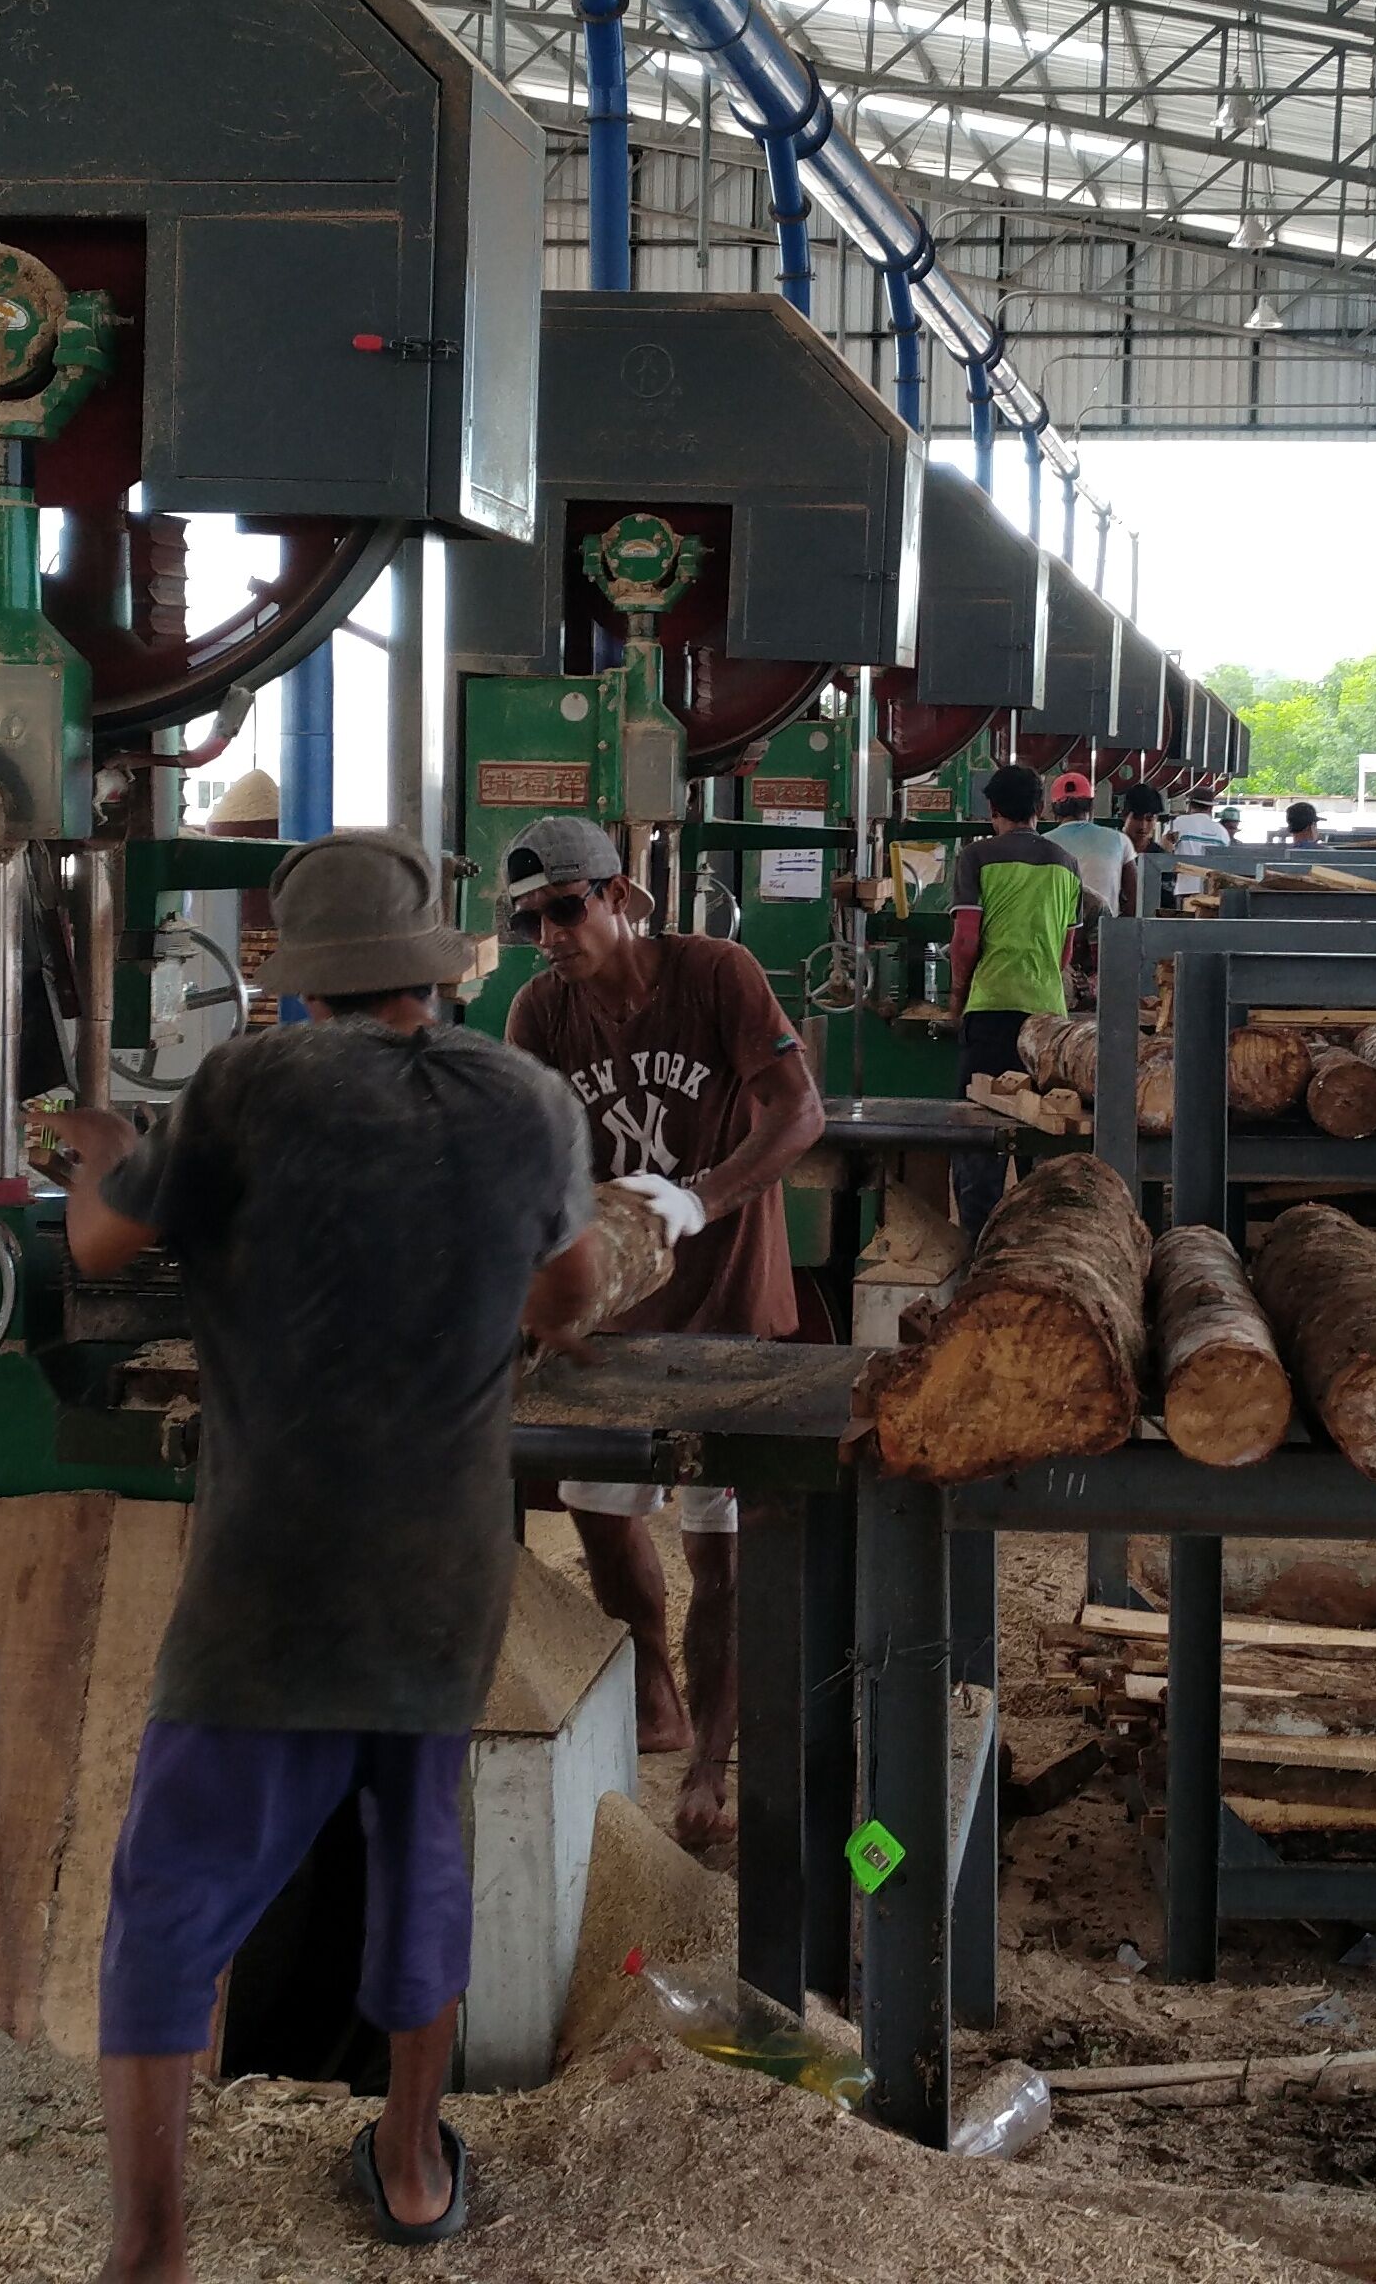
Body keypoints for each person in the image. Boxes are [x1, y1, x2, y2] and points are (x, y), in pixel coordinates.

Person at [51, 830, 606, 2273]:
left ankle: (150, 2241)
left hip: (268, 1578)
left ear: (295, 976)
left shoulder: (248, 1086)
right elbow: (572, 1294)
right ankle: (412, 2165)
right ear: (438, 967)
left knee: (174, 1894)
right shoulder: (527, 1098)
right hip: (440, 1572)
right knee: (420, 1861)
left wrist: (102, 1155)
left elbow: (99, 1252)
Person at [495, 815, 822, 1846]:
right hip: (615, 1318)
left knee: (722, 1548)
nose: (550, 936)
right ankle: (655, 1701)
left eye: (564, 909)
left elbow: (797, 1111)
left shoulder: (717, 974)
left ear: (617, 895)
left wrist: (700, 1200)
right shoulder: (541, 1013)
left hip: (727, 1305)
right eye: (529, 922)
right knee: (601, 1517)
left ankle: (713, 1765)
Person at [945, 762, 1090, 1234]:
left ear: (992, 809)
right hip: (1048, 1022)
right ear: (1040, 808)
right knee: (1041, 1135)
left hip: (991, 1010)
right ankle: (1038, 1241)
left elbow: (965, 939)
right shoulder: (1067, 863)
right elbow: (1066, 949)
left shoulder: (976, 857)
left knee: (979, 1134)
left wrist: (955, 1000)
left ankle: (978, 1245)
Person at [1043, 767, 1138, 918]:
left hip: (1057, 930)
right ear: (1091, 807)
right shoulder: (1120, 840)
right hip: (1104, 929)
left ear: (1054, 810)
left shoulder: (1043, 843)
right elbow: (1135, 897)